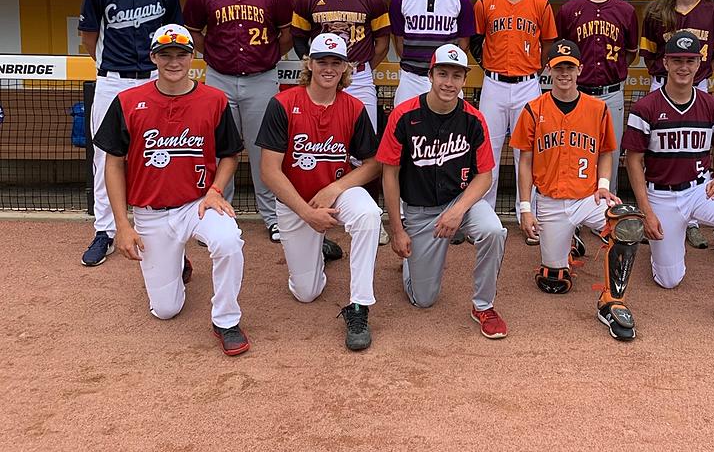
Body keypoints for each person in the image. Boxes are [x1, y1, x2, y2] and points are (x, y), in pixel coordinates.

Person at [94, 24, 249, 356]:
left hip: (198, 203)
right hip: (150, 213)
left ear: (192, 56)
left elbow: (230, 154)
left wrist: (216, 190)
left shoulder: (214, 99)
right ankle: (179, 265)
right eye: (166, 54)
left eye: (181, 54)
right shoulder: (128, 101)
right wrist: (122, 224)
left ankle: (226, 321)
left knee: (228, 241)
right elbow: (113, 163)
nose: (174, 61)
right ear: (154, 57)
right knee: (166, 310)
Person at [623, 31, 714, 336]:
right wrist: (646, 211)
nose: (684, 66)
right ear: (665, 63)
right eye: (678, 60)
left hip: (699, 189)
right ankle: (665, 247)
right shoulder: (645, 108)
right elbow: (633, 160)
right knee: (669, 280)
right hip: (661, 196)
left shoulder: (711, 105)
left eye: (691, 60)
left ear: (699, 64)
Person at [257, 33, 383, 351]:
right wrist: (306, 212)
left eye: (336, 63)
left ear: (344, 68)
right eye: (322, 61)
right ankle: (319, 251)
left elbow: (374, 164)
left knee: (369, 215)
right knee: (306, 293)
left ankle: (359, 306)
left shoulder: (354, 107)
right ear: (309, 64)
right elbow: (269, 171)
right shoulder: (283, 104)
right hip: (295, 200)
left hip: (336, 193)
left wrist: (335, 188)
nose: (329, 68)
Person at [511, 40, 643, 341]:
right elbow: (525, 161)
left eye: (570, 67)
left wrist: (604, 186)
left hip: (587, 197)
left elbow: (607, 151)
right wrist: (525, 208)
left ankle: (612, 300)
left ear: (580, 70)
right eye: (559, 67)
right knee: (553, 282)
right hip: (550, 201)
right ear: (549, 70)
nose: (564, 73)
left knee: (628, 224)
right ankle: (569, 244)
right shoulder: (533, 110)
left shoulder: (597, 109)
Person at [376, 44, 509, 340]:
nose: (449, 83)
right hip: (420, 210)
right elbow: (389, 174)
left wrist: (458, 211)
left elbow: (484, 176)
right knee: (423, 300)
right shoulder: (403, 116)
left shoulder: (474, 119)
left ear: (464, 80)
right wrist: (397, 230)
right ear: (430, 75)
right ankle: (414, 265)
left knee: (494, 231)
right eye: (443, 74)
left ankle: (483, 306)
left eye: (457, 76)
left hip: (461, 202)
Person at [78, 0, 183, 268]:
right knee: (104, 156)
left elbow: (175, 40)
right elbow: (88, 39)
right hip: (112, 81)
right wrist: (108, 68)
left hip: (154, 79)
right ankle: (105, 230)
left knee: (158, 151)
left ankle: (161, 223)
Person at [182, 0, 294, 243]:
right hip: (219, 77)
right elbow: (194, 33)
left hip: (262, 78)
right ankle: (219, 217)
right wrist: (215, 55)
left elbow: (285, 37)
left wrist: (266, 57)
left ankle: (272, 217)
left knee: (265, 151)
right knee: (220, 148)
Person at [291, 0, 392, 249]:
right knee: (322, 146)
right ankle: (321, 213)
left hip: (359, 78)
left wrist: (359, 71)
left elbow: (382, 44)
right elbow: (297, 39)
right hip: (321, 77)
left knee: (368, 152)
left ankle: (371, 215)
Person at [639, 0, 714, 249]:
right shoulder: (656, 11)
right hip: (660, 86)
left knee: (696, 151)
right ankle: (652, 211)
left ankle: (691, 219)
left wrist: (696, 77)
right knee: (655, 150)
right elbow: (648, 53)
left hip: (698, 87)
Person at [472, 0, 557, 214]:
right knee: (489, 152)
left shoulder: (540, 3)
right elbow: (475, 40)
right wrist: (488, 64)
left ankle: (527, 214)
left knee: (528, 153)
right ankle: (485, 215)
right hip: (494, 84)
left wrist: (536, 67)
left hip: (527, 85)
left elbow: (548, 43)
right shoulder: (486, 1)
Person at [556, 0, 638, 196]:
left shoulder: (626, 11)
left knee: (610, 154)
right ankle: (575, 209)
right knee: (574, 151)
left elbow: (630, 53)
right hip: (576, 94)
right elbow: (561, 54)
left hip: (611, 94)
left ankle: (606, 212)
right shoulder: (569, 10)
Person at [389, 0, 476, 107]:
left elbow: (464, 44)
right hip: (411, 78)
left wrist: (447, 69)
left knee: (449, 130)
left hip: (446, 80)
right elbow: (399, 41)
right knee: (403, 129)